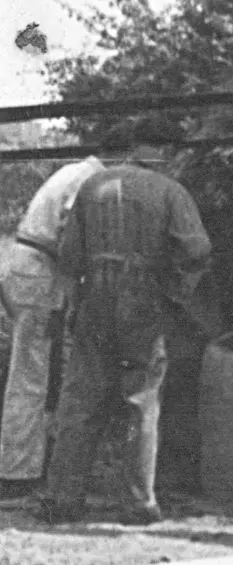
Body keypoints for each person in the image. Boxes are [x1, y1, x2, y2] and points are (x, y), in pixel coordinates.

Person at [39, 115, 211, 525]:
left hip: (94, 296)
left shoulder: (91, 185)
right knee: (140, 401)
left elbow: (68, 257)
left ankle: (63, 499)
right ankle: (138, 503)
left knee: (81, 399)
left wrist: (77, 303)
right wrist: (177, 292)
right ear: (166, 152)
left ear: (136, 147)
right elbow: (197, 251)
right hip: (143, 298)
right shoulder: (171, 191)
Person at [0, 149, 105, 496]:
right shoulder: (89, 179)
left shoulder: (74, 171)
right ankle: (17, 472)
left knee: (37, 371)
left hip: (32, 269)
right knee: (32, 375)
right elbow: (71, 237)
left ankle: (25, 463)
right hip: (39, 273)